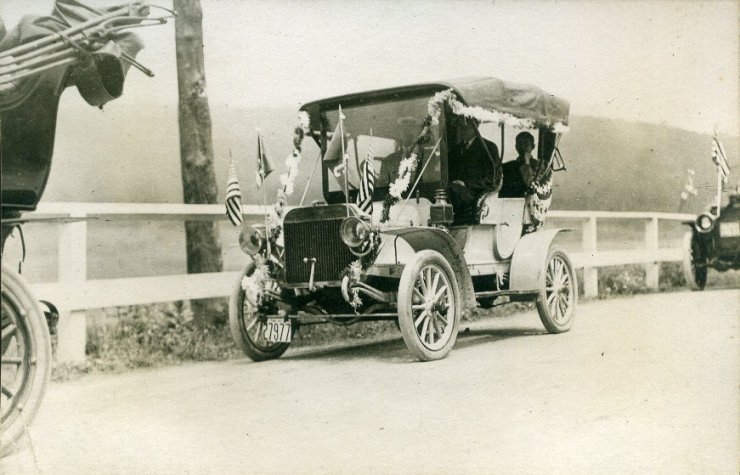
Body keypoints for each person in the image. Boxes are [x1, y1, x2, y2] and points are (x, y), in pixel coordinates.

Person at [447, 116, 501, 224]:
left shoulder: (489, 148)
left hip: (476, 194)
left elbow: (492, 179)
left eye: (465, 126)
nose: (461, 130)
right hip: (456, 193)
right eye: (459, 126)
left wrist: (466, 184)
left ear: (476, 126)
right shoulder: (455, 151)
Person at [500, 131, 553, 232]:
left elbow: (532, 185)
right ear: (516, 146)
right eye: (520, 144)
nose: (523, 147)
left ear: (533, 146)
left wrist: (526, 163)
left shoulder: (542, 166)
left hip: (531, 216)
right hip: (510, 213)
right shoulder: (508, 167)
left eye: (526, 144)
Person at [379, 117, 419, 185]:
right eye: (404, 128)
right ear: (398, 133)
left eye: (411, 127)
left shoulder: (429, 157)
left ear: (418, 132)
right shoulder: (388, 161)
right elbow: (382, 190)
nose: (407, 132)